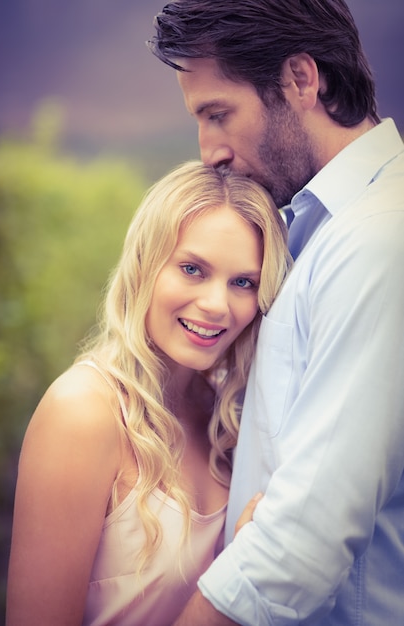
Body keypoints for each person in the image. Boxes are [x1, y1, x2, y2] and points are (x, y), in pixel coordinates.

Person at [149, 1, 404, 624]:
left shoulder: (377, 239)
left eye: (218, 114)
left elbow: (305, 534)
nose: (209, 151)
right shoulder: (319, 230)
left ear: (300, 79)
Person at [5, 160, 291, 626]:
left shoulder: (227, 412)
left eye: (243, 282)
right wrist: (242, 579)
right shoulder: (82, 412)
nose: (218, 304)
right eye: (192, 269)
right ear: (144, 263)